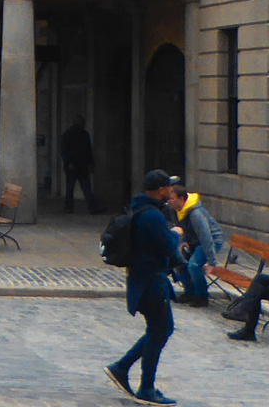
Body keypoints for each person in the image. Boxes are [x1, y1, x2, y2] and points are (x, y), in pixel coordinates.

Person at [107, 169, 182, 405]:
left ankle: (122, 367)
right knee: (160, 330)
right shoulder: (152, 216)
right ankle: (145, 387)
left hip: (142, 278)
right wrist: (175, 235)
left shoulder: (139, 208)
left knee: (160, 329)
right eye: (169, 187)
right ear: (160, 191)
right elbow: (166, 247)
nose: (171, 190)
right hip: (150, 281)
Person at [169, 180, 227, 305]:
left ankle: (201, 296)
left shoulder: (196, 215)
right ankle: (189, 291)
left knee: (194, 265)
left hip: (211, 240)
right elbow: (180, 228)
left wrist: (212, 263)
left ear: (181, 199)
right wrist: (184, 242)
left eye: (171, 198)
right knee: (179, 261)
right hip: (194, 240)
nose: (168, 201)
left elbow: (206, 238)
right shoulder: (175, 210)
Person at [60, 116, 98, 214]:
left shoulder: (84, 134)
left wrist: (91, 163)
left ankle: (92, 207)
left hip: (82, 166)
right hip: (73, 166)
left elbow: (88, 150)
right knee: (70, 188)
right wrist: (68, 162)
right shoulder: (68, 134)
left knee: (86, 188)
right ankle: (68, 207)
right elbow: (64, 150)